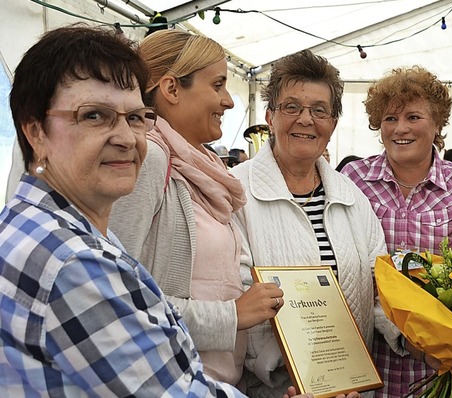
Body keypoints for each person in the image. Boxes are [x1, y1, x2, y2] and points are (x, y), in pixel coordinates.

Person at [0, 24, 246, 397]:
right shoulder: (72, 263)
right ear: (36, 132)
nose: (126, 137)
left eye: (135, 117)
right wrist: (233, 316)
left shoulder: (54, 226)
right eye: (94, 116)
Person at [108, 29, 282, 388]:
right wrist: (233, 314)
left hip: (211, 380)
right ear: (172, 89)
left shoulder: (202, 165)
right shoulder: (149, 158)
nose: (229, 101)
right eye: (218, 85)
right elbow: (118, 299)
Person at [230, 49, 398, 398]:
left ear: (333, 123)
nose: (306, 119)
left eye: (319, 110)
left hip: (351, 389)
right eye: (292, 107)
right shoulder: (235, 192)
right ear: (270, 116)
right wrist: (286, 370)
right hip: (272, 389)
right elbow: (234, 292)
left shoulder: (352, 198)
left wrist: (412, 336)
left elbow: (378, 287)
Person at [341, 66, 452, 397]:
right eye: (390, 119)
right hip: (365, 355)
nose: (400, 129)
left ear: (437, 123)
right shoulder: (353, 178)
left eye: (413, 117)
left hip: (435, 365)